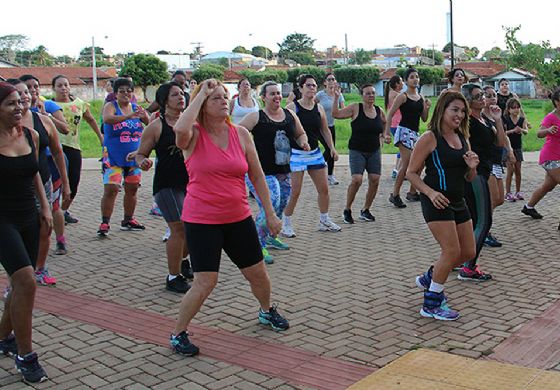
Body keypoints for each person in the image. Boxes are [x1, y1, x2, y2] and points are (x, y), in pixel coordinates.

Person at [170, 79, 289, 356]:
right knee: (205, 281)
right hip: (202, 220)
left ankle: (266, 310)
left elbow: (257, 176)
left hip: (238, 217)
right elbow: (179, 129)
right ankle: (178, 333)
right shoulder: (193, 135)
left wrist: (270, 213)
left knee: (258, 274)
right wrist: (200, 95)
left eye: (225, 97)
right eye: (216, 98)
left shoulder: (241, 135)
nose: (223, 101)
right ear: (202, 104)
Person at [407, 91, 478, 320]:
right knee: (451, 251)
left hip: (458, 201)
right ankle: (431, 302)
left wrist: (472, 167)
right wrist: (430, 192)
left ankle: (431, 276)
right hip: (435, 201)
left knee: (468, 251)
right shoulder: (430, 137)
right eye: (454, 110)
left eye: (462, 111)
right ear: (442, 110)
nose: (459, 115)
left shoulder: (463, 137)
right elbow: (411, 173)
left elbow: (468, 178)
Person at [0, 82, 51, 383]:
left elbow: (34, 172)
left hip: (29, 217)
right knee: (26, 282)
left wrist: (45, 207)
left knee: (19, 286)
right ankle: (26, 356)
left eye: (20, 102)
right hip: (2, 220)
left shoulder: (29, 134)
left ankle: (4, 336)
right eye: (10, 104)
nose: (19, 107)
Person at [239, 81, 309, 264]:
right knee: (272, 201)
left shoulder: (289, 115)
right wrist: (245, 150)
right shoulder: (256, 117)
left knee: (281, 203)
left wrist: (303, 142)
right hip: (259, 171)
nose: (277, 96)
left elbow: (300, 133)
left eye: (278, 93)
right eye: (272, 94)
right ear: (263, 98)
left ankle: (270, 235)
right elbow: (236, 133)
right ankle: (256, 245)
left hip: (283, 170)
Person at [9, 79, 70, 285]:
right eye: (19, 94)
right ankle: (19, 274)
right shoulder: (7, 128)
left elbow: (57, 152)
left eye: (26, 92)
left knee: (45, 226)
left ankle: (40, 268)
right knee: (23, 232)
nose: (25, 97)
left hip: (43, 181)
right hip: (16, 190)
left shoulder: (42, 122)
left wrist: (66, 182)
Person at [134, 82, 191, 293]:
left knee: (191, 228)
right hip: (167, 185)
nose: (180, 97)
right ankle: (173, 276)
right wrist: (142, 162)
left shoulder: (191, 122)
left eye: (181, 94)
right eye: (175, 95)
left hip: (191, 184)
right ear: (165, 100)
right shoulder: (157, 126)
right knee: (179, 228)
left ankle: (183, 262)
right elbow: (141, 153)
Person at [458, 83, 506, 281]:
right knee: (484, 221)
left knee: (475, 220)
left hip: (485, 171)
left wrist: (498, 120)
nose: (483, 99)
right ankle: (468, 267)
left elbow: (500, 143)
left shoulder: (485, 119)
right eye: (478, 97)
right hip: (475, 173)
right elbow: (465, 146)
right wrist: (472, 168)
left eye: (482, 96)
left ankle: (463, 260)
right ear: (468, 101)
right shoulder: (467, 121)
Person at [282, 74, 341, 237]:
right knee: (295, 191)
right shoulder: (292, 108)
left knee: (324, 189)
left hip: (315, 153)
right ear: (300, 88)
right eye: (308, 85)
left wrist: (332, 148)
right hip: (296, 154)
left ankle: (324, 220)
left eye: (314, 85)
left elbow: (325, 130)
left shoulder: (319, 107)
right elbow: (285, 131)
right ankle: (286, 223)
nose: (312, 88)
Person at [21, 75, 70, 259]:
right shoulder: (10, 119)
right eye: (26, 89)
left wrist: (45, 114)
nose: (31, 92)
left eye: (34, 87)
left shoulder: (46, 110)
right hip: (22, 179)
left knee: (51, 209)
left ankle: (59, 240)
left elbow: (64, 131)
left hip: (48, 168)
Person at [97, 77, 149, 236]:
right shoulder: (110, 106)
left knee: (132, 188)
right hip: (113, 156)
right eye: (122, 91)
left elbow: (149, 122)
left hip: (134, 158)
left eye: (129, 91)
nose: (126, 94)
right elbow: (107, 119)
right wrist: (128, 117)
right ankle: (105, 222)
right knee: (112, 189)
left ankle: (128, 219)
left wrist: (143, 116)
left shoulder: (136, 108)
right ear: (116, 93)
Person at [51, 75, 103, 224]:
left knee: (73, 183)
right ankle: (53, 212)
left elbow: (91, 120)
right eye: (59, 85)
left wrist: (100, 138)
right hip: (54, 147)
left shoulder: (79, 104)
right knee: (55, 182)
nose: (63, 88)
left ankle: (62, 211)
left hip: (73, 147)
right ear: (54, 88)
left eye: (66, 85)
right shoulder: (48, 105)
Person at [333, 84, 387, 223]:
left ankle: (366, 210)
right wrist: (336, 98)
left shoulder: (378, 110)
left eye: (373, 93)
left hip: (374, 150)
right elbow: (336, 114)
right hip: (357, 150)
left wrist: (384, 135)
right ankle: (347, 209)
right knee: (357, 179)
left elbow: (385, 122)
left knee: (375, 179)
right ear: (362, 95)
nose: (371, 96)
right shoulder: (355, 108)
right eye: (368, 93)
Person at [384, 67, 431, 208]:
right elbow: (390, 114)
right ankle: (395, 194)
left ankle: (412, 192)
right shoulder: (402, 96)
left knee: (419, 163)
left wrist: (427, 107)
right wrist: (386, 133)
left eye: (417, 76)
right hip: (403, 132)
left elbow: (424, 119)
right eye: (412, 77)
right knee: (407, 165)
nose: (415, 79)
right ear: (405, 81)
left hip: (415, 134)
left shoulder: (421, 97)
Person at [481, 86, 514, 248]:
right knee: (491, 199)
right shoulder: (480, 118)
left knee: (500, 199)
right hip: (487, 162)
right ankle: (483, 229)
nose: (492, 98)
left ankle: (481, 222)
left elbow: (503, 138)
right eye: (488, 96)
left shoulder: (496, 116)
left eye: (494, 95)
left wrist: (510, 151)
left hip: (497, 160)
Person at [521, 88, 560, 224]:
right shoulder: (551, 117)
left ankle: (528, 207)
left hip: (559, 157)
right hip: (550, 157)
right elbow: (539, 133)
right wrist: (548, 130)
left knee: (548, 186)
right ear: (556, 102)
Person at [315, 73, 345, 185]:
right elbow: (312, 105)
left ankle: (330, 175)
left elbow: (343, 110)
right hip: (320, 127)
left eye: (333, 79)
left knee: (332, 150)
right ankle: (319, 165)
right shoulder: (320, 95)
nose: (332, 81)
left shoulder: (339, 95)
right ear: (325, 82)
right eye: (329, 79)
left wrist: (337, 98)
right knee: (329, 149)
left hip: (331, 126)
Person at [503, 97, 528, 202]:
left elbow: (526, 131)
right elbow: (503, 133)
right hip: (509, 148)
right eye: (513, 108)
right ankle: (508, 192)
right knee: (510, 170)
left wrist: (521, 129)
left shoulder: (522, 119)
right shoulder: (505, 119)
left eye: (517, 107)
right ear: (508, 109)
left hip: (518, 147)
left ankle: (518, 191)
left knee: (518, 170)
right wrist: (513, 130)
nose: (516, 110)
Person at [384, 75, 403, 179]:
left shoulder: (392, 94)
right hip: (396, 124)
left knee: (402, 149)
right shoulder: (395, 95)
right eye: (401, 81)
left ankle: (397, 170)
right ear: (396, 84)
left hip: (395, 124)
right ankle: (397, 170)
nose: (403, 83)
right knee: (404, 149)